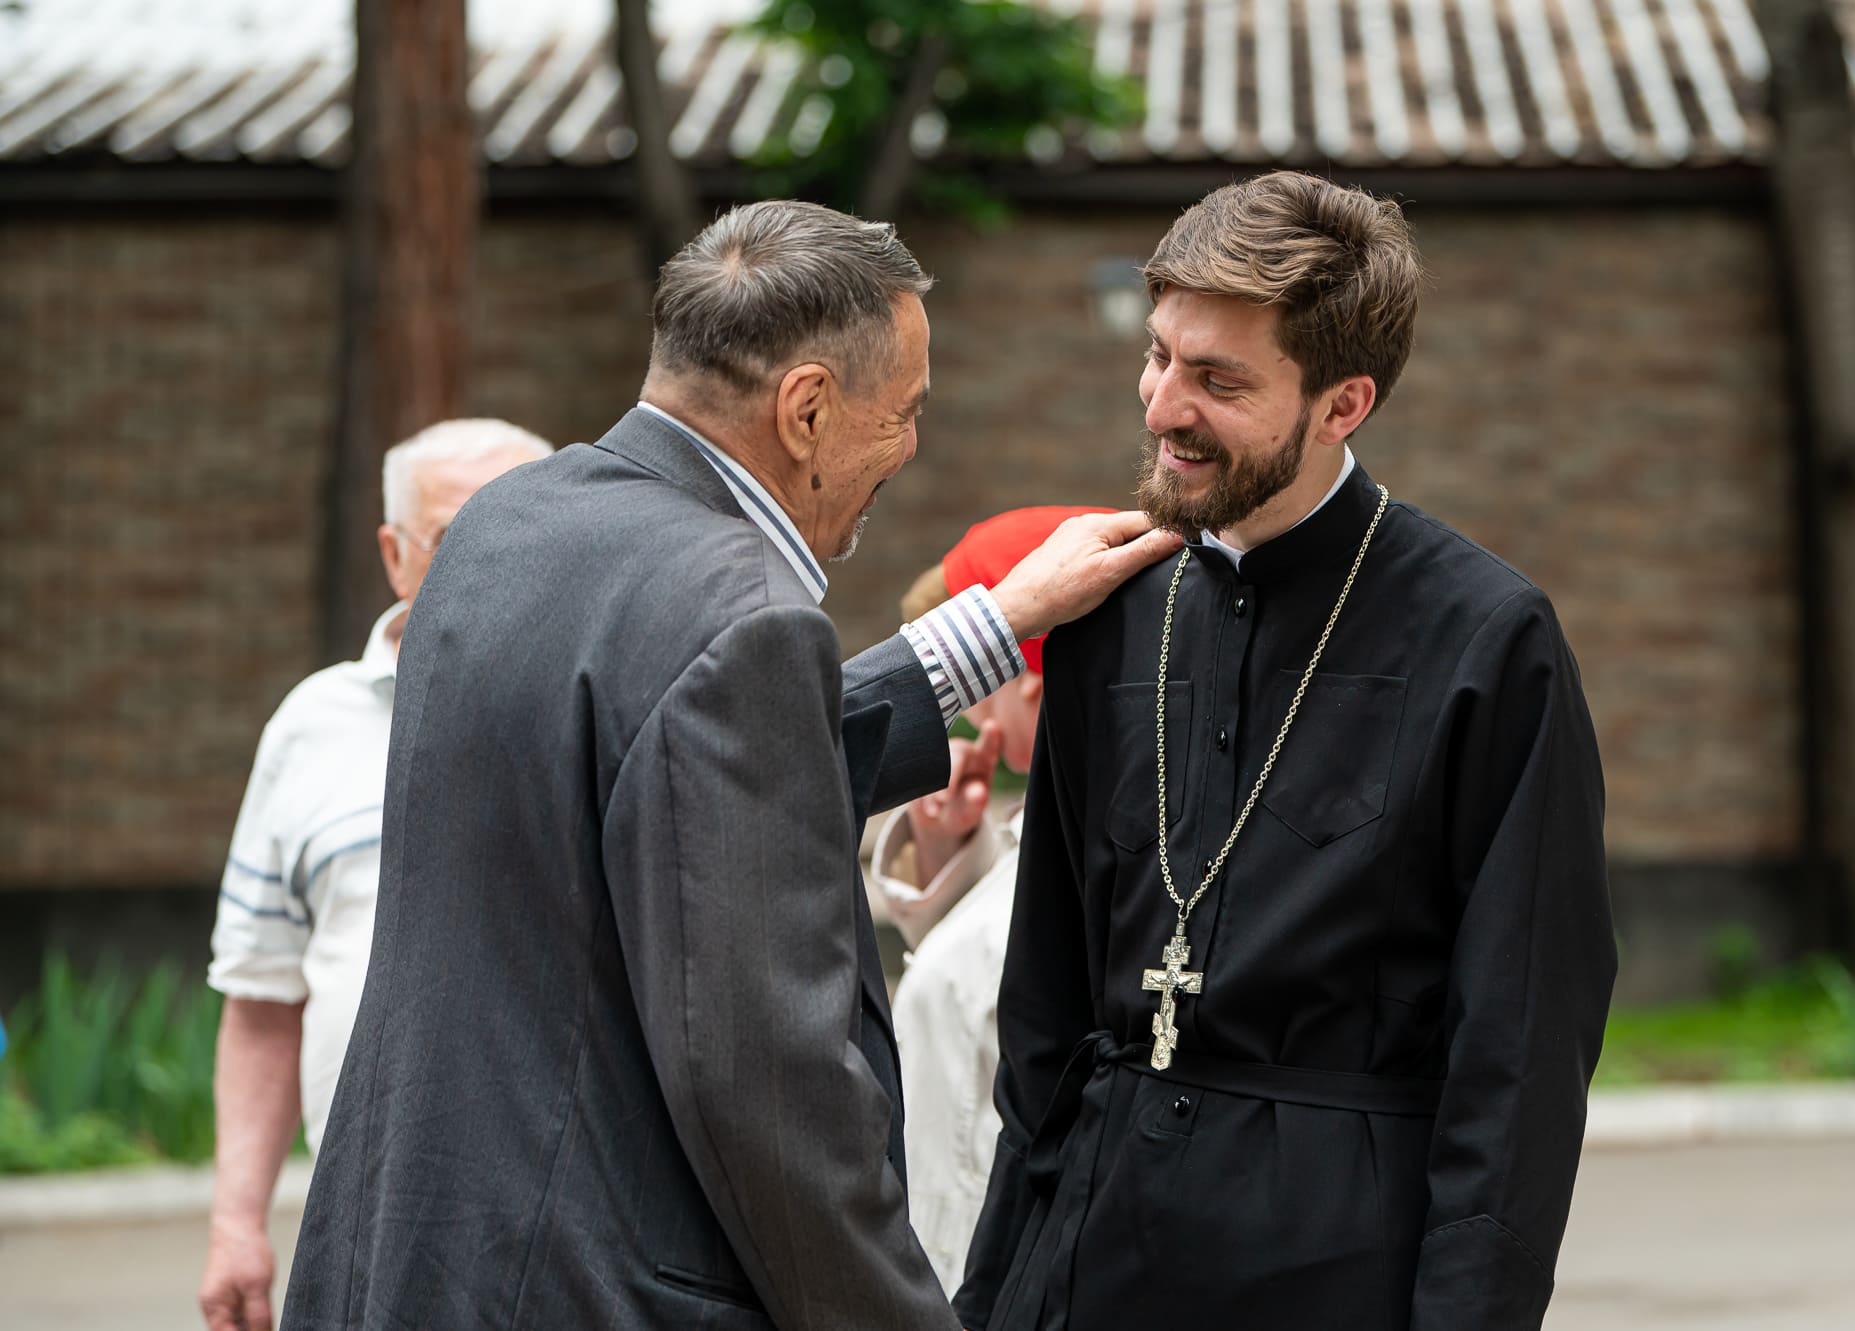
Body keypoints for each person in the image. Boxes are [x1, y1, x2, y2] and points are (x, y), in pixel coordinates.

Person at [281, 200, 1178, 1331]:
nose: (909, 448)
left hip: (404, 1256)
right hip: (592, 1286)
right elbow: (768, 1091)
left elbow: (667, 772)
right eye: (901, 413)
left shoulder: (509, 526)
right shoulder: (741, 614)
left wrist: (992, 623)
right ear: (805, 408)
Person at [955, 172, 1617, 1331]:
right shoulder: (1111, 608)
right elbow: (1044, 1013)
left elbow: (1517, 1052)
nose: (1163, 406)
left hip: (1334, 1268)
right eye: (1159, 356)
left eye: (1217, 380)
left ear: (1341, 402)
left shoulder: (1482, 637)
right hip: (1088, 1263)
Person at [197, 419, 552, 1331]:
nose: (499, 560)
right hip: (358, 1233)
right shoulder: (309, 727)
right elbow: (264, 998)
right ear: (395, 555)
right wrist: (237, 1221)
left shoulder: (611, 705)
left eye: (528, 525)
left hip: (565, 1236)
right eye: (458, 535)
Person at [873, 506, 1111, 1292]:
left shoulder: (1099, 842)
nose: (964, 712)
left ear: (1031, 680)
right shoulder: (1040, 812)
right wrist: (946, 845)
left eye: (977, 684)